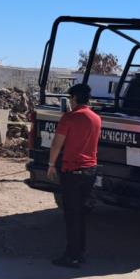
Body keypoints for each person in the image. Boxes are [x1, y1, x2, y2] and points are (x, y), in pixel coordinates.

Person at [46, 83, 101, 268]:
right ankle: (80, 251)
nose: (70, 102)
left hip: (72, 172)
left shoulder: (69, 118)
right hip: (90, 171)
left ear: (75, 98)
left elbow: (56, 144)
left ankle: (73, 255)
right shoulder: (96, 118)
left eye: (70, 98)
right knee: (81, 213)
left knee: (72, 215)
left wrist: (51, 164)